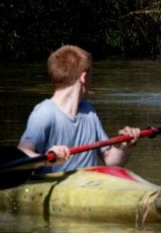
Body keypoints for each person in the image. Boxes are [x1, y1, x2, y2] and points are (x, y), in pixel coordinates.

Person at [18, 45, 140, 173]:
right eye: (91, 76)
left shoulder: (89, 111)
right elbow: (22, 152)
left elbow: (110, 160)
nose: (92, 81)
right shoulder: (44, 113)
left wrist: (125, 147)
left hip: (87, 188)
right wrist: (47, 159)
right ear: (84, 77)